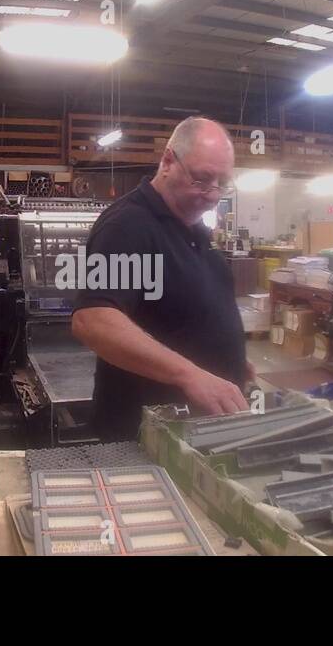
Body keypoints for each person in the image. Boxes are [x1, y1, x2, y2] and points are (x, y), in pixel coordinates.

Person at [72, 117, 253, 442]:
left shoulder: (193, 229)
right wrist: (190, 375)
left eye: (222, 183)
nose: (212, 195)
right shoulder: (129, 225)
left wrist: (234, 360)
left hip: (197, 434)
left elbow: (184, 312)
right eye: (202, 179)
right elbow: (94, 321)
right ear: (168, 161)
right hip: (145, 440)